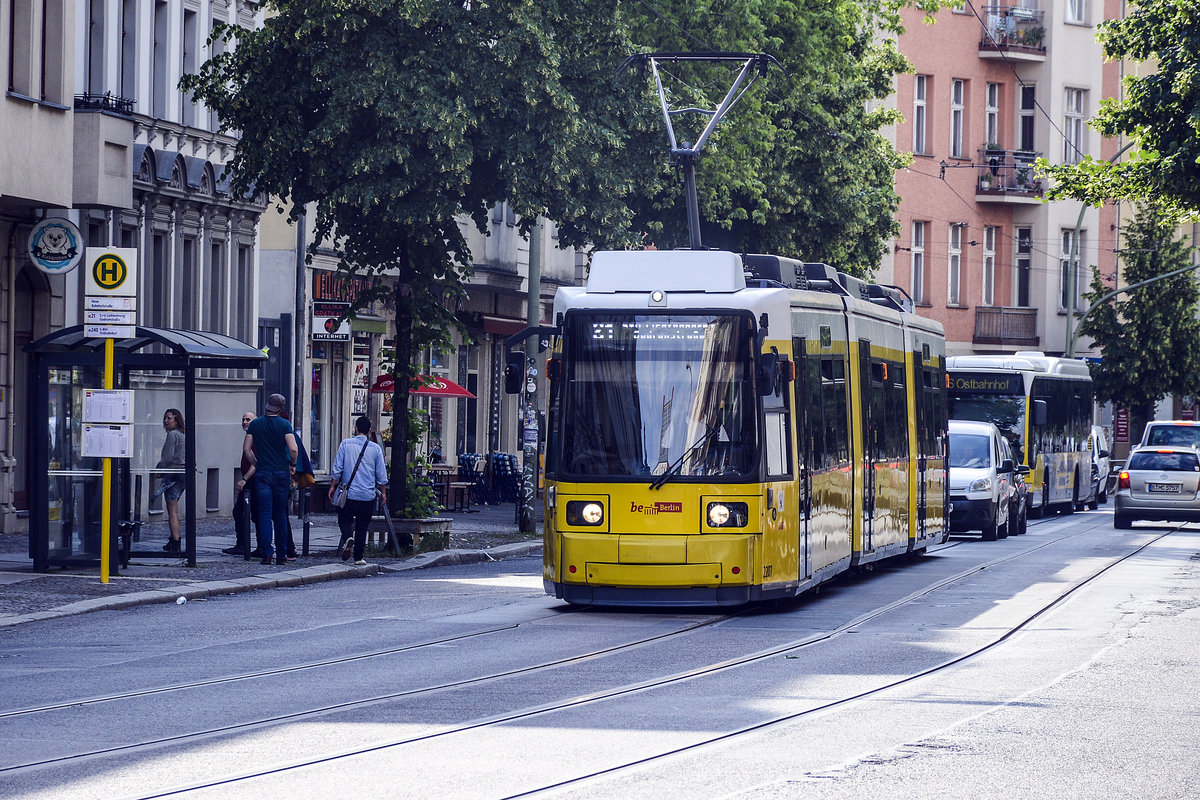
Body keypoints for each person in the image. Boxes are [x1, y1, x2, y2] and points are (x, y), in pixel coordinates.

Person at [244, 393, 298, 566]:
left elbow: (247, 449)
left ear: (267, 405)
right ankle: (281, 555)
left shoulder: (256, 424)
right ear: (281, 408)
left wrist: (256, 463)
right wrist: (292, 463)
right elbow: (293, 449)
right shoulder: (284, 425)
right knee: (280, 513)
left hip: (263, 473)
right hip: (281, 472)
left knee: (264, 514)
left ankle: (267, 553)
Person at [328, 415, 388, 566]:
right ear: (369, 431)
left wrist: (333, 485)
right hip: (367, 495)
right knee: (362, 527)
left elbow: (337, 468)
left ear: (355, 429)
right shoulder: (376, 449)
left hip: (349, 494)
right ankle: (358, 558)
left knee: (343, 519)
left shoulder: (345, 444)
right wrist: (383, 492)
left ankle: (348, 536)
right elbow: (381, 473)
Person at [224, 411, 260, 557]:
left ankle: (244, 545)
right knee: (246, 512)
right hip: (251, 480)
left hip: (253, 480)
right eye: (243, 419)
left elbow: (256, 462)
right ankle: (248, 544)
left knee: (244, 512)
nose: (245, 422)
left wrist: (244, 479)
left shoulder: (255, 437)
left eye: (248, 420)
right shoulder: (251, 436)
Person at [158, 408, 186, 553]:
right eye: (165, 418)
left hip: (173, 473)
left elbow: (167, 457)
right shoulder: (183, 435)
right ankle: (173, 540)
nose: (166, 421)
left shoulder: (172, 435)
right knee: (174, 507)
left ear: (176, 419)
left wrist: (159, 469)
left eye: (169, 418)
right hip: (183, 474)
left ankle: (175, 542)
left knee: (172, 510)